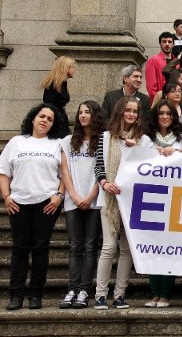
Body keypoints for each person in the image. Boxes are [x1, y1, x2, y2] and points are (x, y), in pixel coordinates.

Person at [1, 104, 67, 310]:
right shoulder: (16, 142)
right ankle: (15, 296)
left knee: (40, 249)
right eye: (42, 116)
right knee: (19, 249)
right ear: (33, 118)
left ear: (53, 125)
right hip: (18, 202)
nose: (45, 120)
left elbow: (65, 173)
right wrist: (7, 197)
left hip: (47, 203)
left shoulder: (57, 144)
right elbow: (3, 173)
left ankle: (35, 295)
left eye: (50, 119)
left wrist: (59, 195)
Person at [94, 97, 153, 310]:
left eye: (135, 111)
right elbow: (99, 165)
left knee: (127, 250)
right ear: (120, 112)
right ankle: (100, 295)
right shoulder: (106, 137)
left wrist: (135, 150)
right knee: (109, 247)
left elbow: (148, 170)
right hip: (109, 200)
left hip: (132, 201)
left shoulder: (144, 141)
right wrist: (104, 183)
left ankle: (120, 294)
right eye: (127, 110)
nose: (131, 114)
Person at [58, 101, 105, 309]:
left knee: (90, 246)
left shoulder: (103, 141)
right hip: (72, 199)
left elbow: (103, 170)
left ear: (95, 115)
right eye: (80, 112)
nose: (83, 115)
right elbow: (64, 171)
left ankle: (85, 289)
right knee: (75, 246)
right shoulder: (68, 141)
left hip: (94, 200)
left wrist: (90, 195)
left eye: (87, 112)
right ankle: (72, 288)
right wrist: (75, 196)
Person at [144, 100, 182, 308]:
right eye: (161, 113)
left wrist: (176, 152)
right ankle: (154, 293)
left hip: (174, 198)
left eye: (169, 113)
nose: (165, 117)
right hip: (151, 198)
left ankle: (165, 294)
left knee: (169, 248)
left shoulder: (181, 139)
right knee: (153, 248)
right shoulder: (146, 139)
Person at [41, 55, 76, 136]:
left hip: (60, 120)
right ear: (66, 68)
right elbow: (48, 105)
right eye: (72, 67)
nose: (74, 70)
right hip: (56, 124)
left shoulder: (61, 84)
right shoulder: (54, 84)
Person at [146, 32, 175, 99]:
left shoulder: (176, 62)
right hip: (160, 102)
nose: (167, 44)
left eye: (169, 42)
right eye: (164, 42)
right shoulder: (153, 60)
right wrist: (159, 100)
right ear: (160, 44)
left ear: (173, 44)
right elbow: (151, 87)